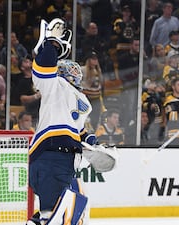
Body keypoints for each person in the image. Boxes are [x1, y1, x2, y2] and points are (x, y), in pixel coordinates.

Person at [26, 18, 114, 225]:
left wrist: (94, 143)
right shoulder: (54, 87)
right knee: (61, 214)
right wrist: (52, 43)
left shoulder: (77, 100)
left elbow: (80, 130)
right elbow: (43, 69)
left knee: (61, 211)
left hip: (63, 162)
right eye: (72, 72)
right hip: (50, 158)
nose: (77, 76)